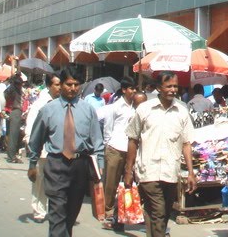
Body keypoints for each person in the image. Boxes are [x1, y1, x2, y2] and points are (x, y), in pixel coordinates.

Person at [27, 65, 105, 237]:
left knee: (70, 214)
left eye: (76, 85)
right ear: (61, 85)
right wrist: (32, 163)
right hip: (56, 164)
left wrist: (100, 166)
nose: (73, 88)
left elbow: (97, 140)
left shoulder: (88, 110)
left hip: (80, 166)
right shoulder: (48, 110)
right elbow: (36, 139)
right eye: (69, 84)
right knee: (57, 213)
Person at [124, 71, 196, 237]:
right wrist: (128, 171)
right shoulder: (144, 109)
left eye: (175, 86)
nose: (172, 90)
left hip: (171, 172)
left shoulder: (182, 111)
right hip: (148, 171)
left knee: (156, 212)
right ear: (158, 88)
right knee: (159, 211)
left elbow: (186, 144)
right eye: (168, 86)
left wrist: (191, 173)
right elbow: (132, 140)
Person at [97, 77, 138, 230]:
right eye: (131, 89)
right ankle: (108, 214)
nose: (133, 91)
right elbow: (108, 128)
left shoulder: (136, 107)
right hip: (115, 148)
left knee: (126, 184)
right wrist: (108, 146)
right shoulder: (115, 107)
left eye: (135, 89)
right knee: (111, 184)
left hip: (130, 151)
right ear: (124, 90)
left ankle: (120, 215)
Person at [23, 73, 61, 222]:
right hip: (42, 150)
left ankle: (51, 210)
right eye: (57, 84)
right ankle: (39, 210)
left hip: (57, 150)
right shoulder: (41, 104)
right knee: (39, 181)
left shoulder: (61, 103)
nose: (59, 87)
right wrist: (31, 147)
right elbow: (31, 126)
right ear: (49, 86)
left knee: (54, 182)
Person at [4, 73, 25, 162]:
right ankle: (11, 157)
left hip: (16, 112)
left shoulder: (16, 91)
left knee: (14, 135)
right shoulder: (13, 90)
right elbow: (6, 94)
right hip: (15, 111)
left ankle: (12, 155)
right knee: (13, 135)